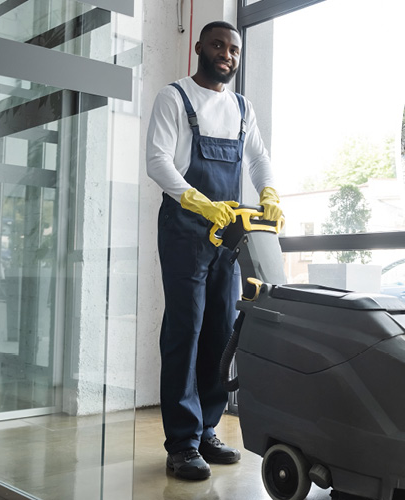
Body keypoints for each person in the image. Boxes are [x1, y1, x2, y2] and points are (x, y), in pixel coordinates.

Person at [145, 20, 282, 479]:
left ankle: (206, 429)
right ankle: (182, 444)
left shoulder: (242, 107)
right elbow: (157, 160)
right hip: (185, 228)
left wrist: (269, 192)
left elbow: (258, 158)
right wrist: (198, 201)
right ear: (199, 47)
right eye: (218, 45)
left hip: (229, 233)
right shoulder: (174, 97)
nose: (227, 54)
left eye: (235, 49)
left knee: (221, 330)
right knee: (185, 329)